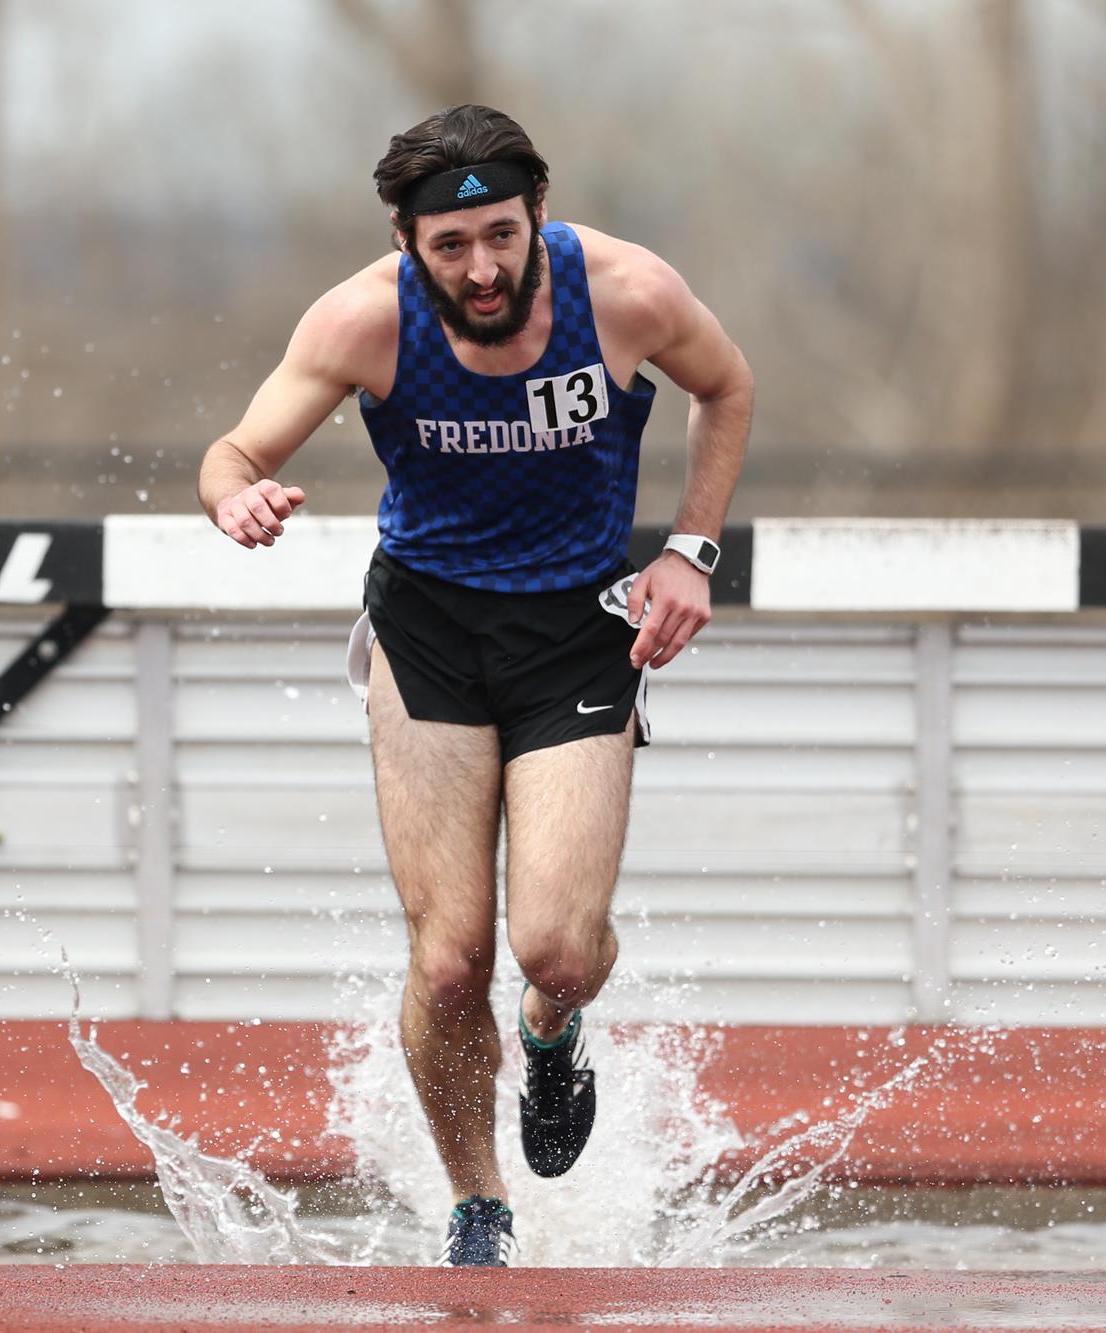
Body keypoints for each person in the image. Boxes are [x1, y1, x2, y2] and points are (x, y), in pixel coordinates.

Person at [195, 105, 753, 1266]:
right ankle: (478, 1206)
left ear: (535, 217)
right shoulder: (361, 321)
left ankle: (553, 1036)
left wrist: (689, 551)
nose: (482, 268)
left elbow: (727, 386)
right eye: (450, 247)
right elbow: (234, 452)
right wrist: (235, 497)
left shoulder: (626, 293)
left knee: (550, 946)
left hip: (576, 631)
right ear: (406, 242)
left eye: (500, 235)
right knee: (449, 957)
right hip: (430, 631)